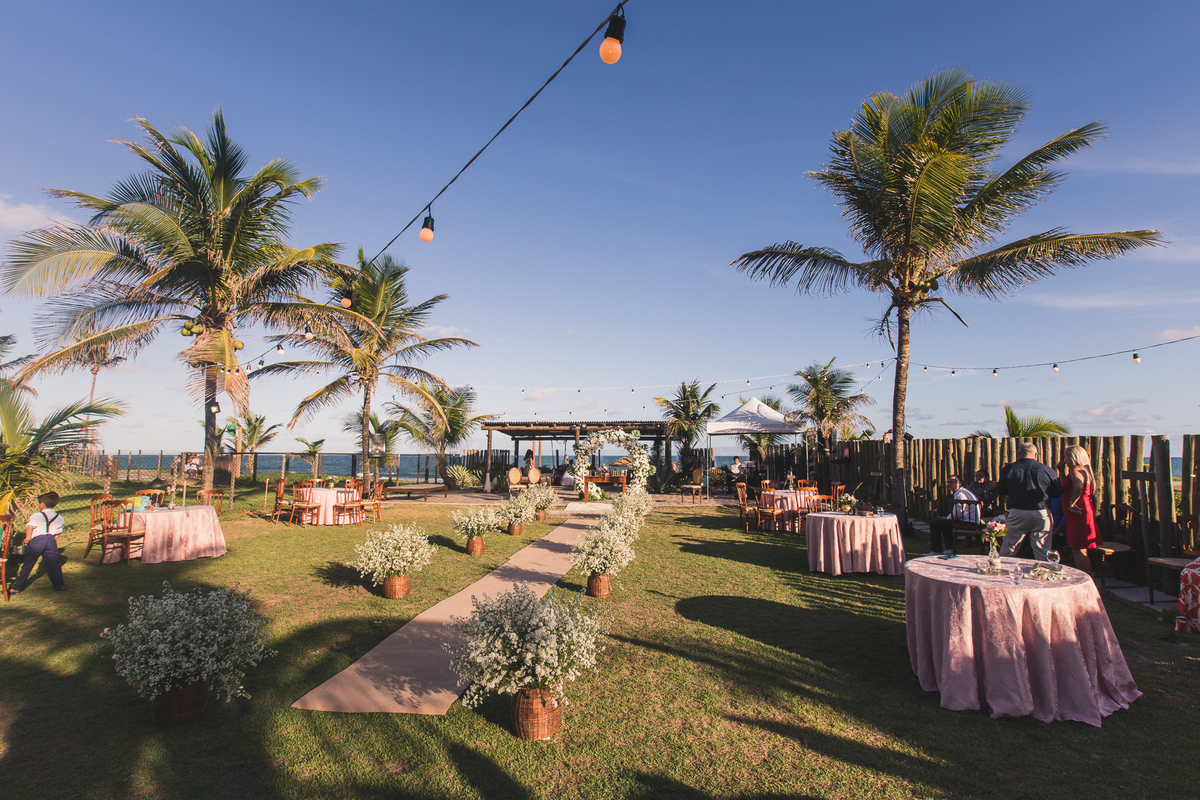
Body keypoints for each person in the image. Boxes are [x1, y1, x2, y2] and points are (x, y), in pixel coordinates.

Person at [997, 442, 1063, 561]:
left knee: (1008, 549)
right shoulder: (1046, 469)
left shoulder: (1009, 469)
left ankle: (1002, 570)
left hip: (1017, 512)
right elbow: (1058, 491)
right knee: (1042, 552)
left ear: (1019, 454)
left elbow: (1001, 490)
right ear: (1036, 454)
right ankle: (1041, 571)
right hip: (1040, 512)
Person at [10, 491, 66, 595]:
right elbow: (58, 533)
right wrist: (52, 540)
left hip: (38, 541)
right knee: (54, 564)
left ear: (42, 505)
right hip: (51, 540)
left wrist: (27, 538)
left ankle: (17, 588)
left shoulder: (36, 515)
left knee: (28, 564)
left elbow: (30, 527)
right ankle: (59, 584)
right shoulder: (60, 517)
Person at [1062, 445, 1101, 577]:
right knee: (1079, 547)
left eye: (1066, 456)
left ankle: (1084, 578)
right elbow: (1067, 486)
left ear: (1073, 457)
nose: (1065, 459)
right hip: (1083, 510)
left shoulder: (1075, 469)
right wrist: (1061, 471)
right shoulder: (1084, 470)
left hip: (1078, 511)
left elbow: (1078, 486)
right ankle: (1085, 576)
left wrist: (1071, 503)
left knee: (1078, 549)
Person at [926, 475, 979, 554]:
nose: (949, 484)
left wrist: (947, 519)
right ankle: (949, 549)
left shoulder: (960, 494)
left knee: (934, 523)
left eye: (952, 482)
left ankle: (936, 550)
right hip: (970, 521)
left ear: (959, 483)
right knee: (944, 523)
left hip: (968, 523)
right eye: (948, 482)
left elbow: (958, 512)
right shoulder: (963, 492)